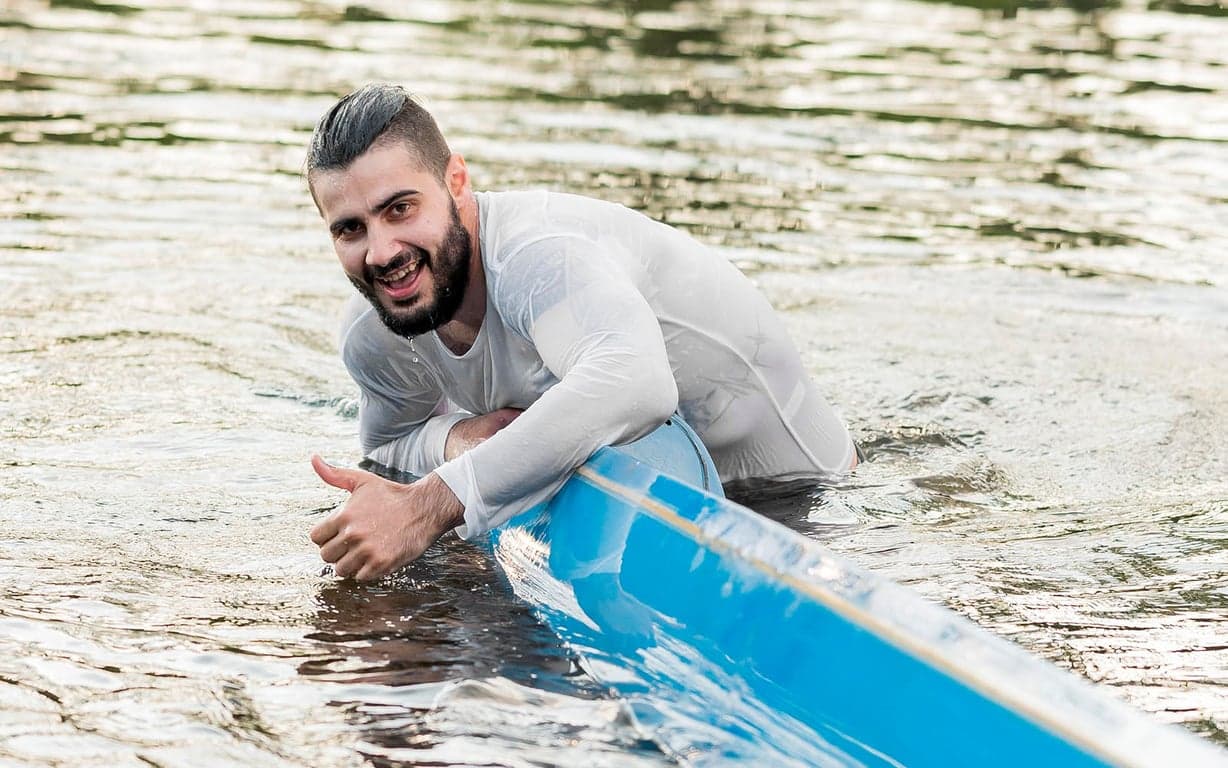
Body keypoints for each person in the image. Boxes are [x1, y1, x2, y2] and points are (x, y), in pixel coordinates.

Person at [306, 84, 857, 582]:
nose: (381, 254)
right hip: (633, 490)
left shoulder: (540, 254)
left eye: (400, 208)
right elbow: (385, 445)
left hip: (801, 502)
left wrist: (429, 504)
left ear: (456, 182)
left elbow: (635, 383)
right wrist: (461, 439)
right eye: (350, 229)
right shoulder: (373, 329)